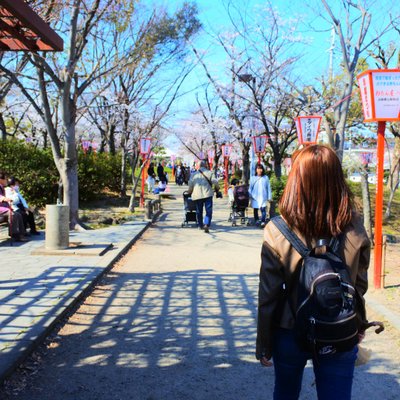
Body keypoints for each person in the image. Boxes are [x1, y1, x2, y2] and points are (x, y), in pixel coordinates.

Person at [256, 145, 371, 400]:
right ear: (336, 178)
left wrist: (264, 343)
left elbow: (268, 296)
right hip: (339, 327)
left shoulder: (276, 229)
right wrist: (358, 323)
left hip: (289, 327)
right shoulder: (354, 226)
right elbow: (359, 284)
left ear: (296, 179)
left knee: (285, 393)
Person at [187, 160, 220, 233]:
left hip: (197, 195)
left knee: (199, 210)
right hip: (208, 194)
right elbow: (215, 182)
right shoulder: (209, 173)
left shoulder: (193, 175)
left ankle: (200, 225)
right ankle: (206, 224)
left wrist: (189, 192)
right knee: (208, 210)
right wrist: (217, 189)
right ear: (205, 166)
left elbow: (190, 185)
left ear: (198, 166)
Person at [0, 171, 27, 241]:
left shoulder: (2, 187)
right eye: (5, 179)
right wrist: (4, 198)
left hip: (3, 208)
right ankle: (15, 234)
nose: (6, 181)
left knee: (18, 214)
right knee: (12, 214)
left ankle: (22, 234)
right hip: (1, 209)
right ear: (1, 179)